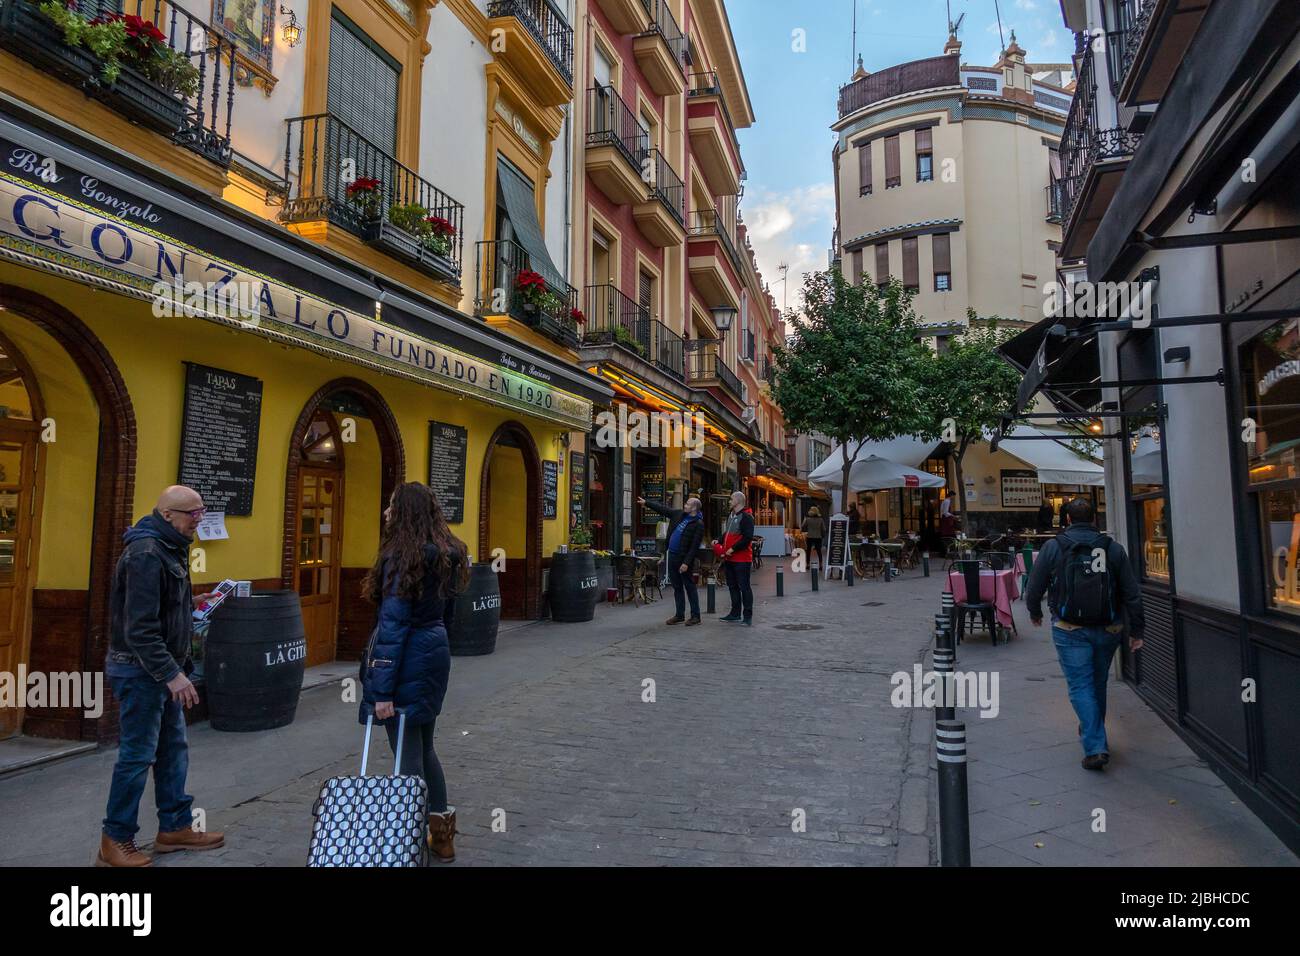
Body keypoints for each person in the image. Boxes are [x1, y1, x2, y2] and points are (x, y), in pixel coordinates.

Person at [100, 485, 226, 867]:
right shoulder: (145, 553)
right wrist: (173, 675)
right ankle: (115, 839)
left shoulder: (169, 547)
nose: (199, 519)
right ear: (168, 514)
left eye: (202, 511)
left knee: (173, 749)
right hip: (142, 672)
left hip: (165, 670)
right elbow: (139, 629)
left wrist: (192, 605)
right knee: (137, 756)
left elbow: (160, 608)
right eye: (193, 513)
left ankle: (174, 828)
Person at [360, 482, 468, 862]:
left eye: (391, 506)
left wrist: (383, 692)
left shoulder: (402, 558)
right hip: (433, 654)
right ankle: (442, 837)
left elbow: (392, 629)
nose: (386, 512)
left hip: (405, 660)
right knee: (425, 746)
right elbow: (449, 614)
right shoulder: (447, 554)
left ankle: (407, 837)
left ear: (404, 513)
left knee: (405, 753)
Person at [1025, 497, 1145, 771]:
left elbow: (1035, 584)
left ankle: (1095, 747)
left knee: (1080, 685)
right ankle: (1093, 735)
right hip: (1109, 627)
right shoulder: (1113, 548)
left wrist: (1035, 612)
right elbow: (1131, 592)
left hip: (1070, 628)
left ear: (1067, 519)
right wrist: (1137, 629)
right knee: (1097, 682)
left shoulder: (1054, 546)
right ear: (1094, 519)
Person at [639, 495, 705, 625]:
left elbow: (694, 547)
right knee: (677, 587)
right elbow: (663, 509)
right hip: (672, 556)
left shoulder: (698, 524)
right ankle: (679, 615)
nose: (685, 505)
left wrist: (686, 563)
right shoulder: (679, 515)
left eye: (687, 504)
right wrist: (647, 503)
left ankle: (695, 616)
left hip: (684, 559)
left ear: (694, 508)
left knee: (689, 586)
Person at [714, 491, 755, 626]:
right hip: (729, 559)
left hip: (742, 559)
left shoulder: (747, 517)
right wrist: (718, 541)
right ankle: (735, 613)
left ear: (738, 501)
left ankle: (747, 616)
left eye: (731, 499)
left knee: (744, 587)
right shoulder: (731, 516)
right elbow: (727, 533)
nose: (729, 501)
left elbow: (747, 537)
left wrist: (733, 549)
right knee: (732, 586)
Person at [801, 506, 825, 571]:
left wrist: (804, 520)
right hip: (818, 537)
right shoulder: (821, 519)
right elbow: (824, 529)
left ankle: (808, 565)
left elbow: (803, 526)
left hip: (810, 536)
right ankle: (820, 565)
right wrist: (822, 535)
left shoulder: (808, 519)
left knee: (808, 551)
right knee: (819, 551)